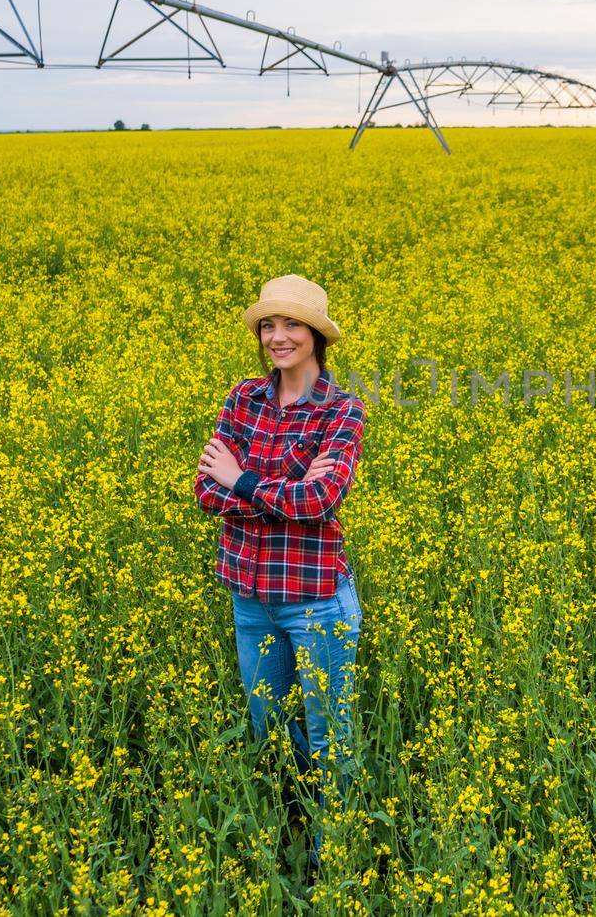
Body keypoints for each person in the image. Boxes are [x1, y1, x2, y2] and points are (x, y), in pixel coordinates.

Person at [193, 273, 367, 873]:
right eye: (269, 325)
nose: (277, 336)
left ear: (317, 335)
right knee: (270, 732)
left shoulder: (341, 410)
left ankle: (332, 858)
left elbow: (320, 501)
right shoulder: (243, 398)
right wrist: (281, 491)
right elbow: (203, 490)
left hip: (316, 599)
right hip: (251, 598)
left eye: (291, 324)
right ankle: (292, 829)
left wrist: (240, 479)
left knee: (328, 740)